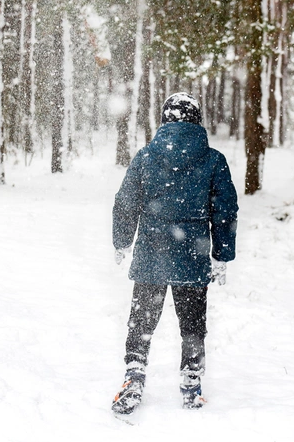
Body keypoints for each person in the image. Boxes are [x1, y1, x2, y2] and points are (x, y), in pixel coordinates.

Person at [111, 92, 238, 414]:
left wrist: (122, 240)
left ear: (165, 120)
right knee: (193, 322)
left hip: (152, 250)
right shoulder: (213, 159)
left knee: (142, 319)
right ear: (197, 120)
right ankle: (191, 379)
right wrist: (222, 254)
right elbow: (225, 211)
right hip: (192, 253)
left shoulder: (146, 157)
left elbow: (126, 202)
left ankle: (134, 373)